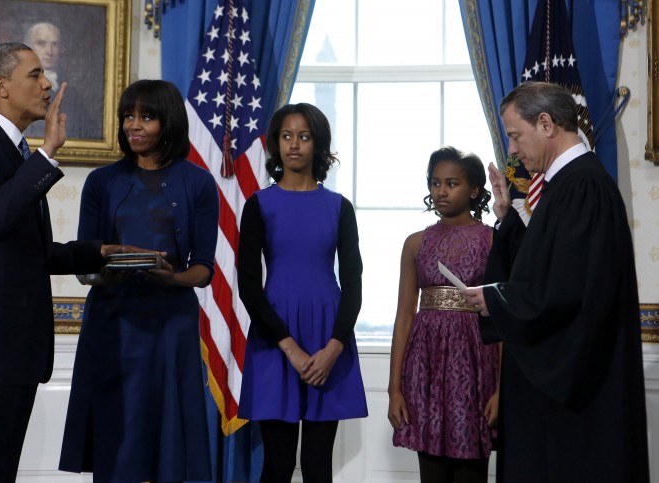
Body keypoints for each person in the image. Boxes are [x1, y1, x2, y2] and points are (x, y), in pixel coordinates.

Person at [0, 42, 135, 483]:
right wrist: (47, 154)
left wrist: (94, 252)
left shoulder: (13, 152)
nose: (47, 83)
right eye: (35, 74)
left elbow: (20, 252)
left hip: (8, 353)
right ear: (0, 86)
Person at [463, 82, 650, 482]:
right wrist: (506, 216)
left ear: (546, 123)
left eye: (515, 135)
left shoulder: (581, 186)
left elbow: (566, 291)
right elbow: (543, 266)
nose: (511, 150)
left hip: (577, 401)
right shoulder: (567, 186)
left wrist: (495, 301)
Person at [58, 79, 219, 482]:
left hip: (171, 324)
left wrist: (172, 277)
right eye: (128, 116)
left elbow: (203, 268)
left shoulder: (198, 182)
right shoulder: (101, 182)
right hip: (112, 323)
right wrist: (105, 264)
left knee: (169, 442)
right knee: (119, 442)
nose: (134, 125)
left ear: (168, 122)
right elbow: (85, 265)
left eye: (146, 116)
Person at [237, 103, 368, 483]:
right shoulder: (258, 205)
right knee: (276, 467)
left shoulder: (339, 207)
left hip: (329, 338)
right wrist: (290, 347)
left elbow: (354, 284)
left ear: (319, 145)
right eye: (286, 136)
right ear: (276, 145)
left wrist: (334, 348)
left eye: (304, 136)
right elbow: (248, 286)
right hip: (274, 339)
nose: (294, 144)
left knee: (317, 468)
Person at [388, 146, 500, 483]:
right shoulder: (415, 243)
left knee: (471, 472)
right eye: (435, 183)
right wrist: (395, 388)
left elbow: (502, 320)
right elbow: (404, 316)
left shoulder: (492, 240)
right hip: (426, 370)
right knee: (432, 471)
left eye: (451, 183)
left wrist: (501, 389)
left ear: (475, 190)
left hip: (476, 368)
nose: (441, 191)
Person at [23, 21, 102, 139]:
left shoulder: (72, 93)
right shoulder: (20, 88)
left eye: (55, 45)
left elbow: (90, 132)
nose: (49, 51)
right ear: (28, 47)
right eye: (41, 43)